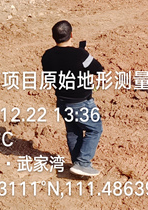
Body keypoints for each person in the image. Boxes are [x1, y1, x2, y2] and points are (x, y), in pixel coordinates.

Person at [41, 20, 105, 177]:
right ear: (71, 35)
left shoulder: (47, 56)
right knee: (94, 129)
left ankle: (77, 164)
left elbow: (52, 77)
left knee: (73, 131)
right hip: (81, 102)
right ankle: (83, 163)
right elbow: (98, 69)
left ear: (53, 37)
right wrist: (84, 55)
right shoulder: (80, 54)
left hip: (62, 101)